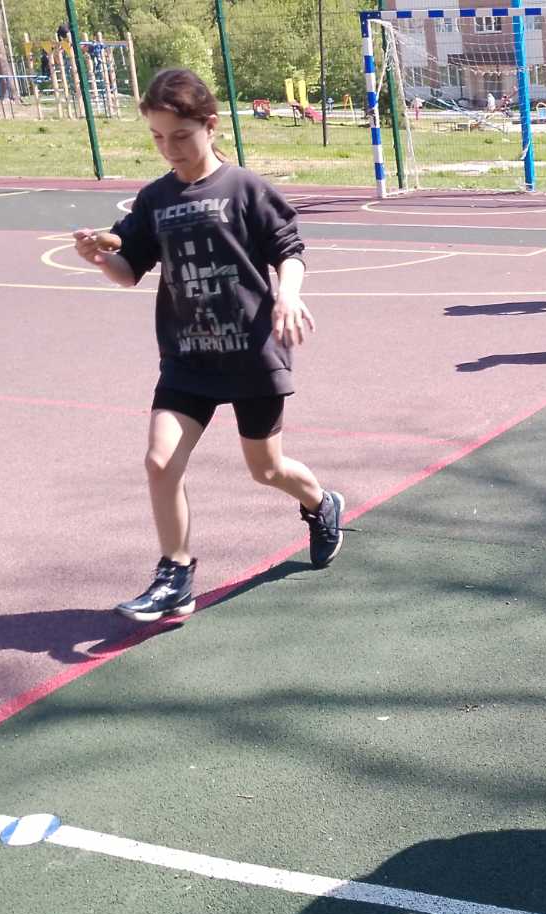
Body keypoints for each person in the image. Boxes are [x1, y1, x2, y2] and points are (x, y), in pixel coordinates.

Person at [73, 68, 344, 623]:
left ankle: (322, 503)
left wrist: (287, 296)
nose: (169, 148)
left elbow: (289, 250)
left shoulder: (244, 188)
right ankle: (175, 575)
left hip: (251, 353)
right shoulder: (155, 199)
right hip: (188, 357)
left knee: (266, 470)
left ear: (210, 126)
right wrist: (101, 259)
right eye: (157, 137)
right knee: (159, 461)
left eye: (180, 136)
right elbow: (129, 270)